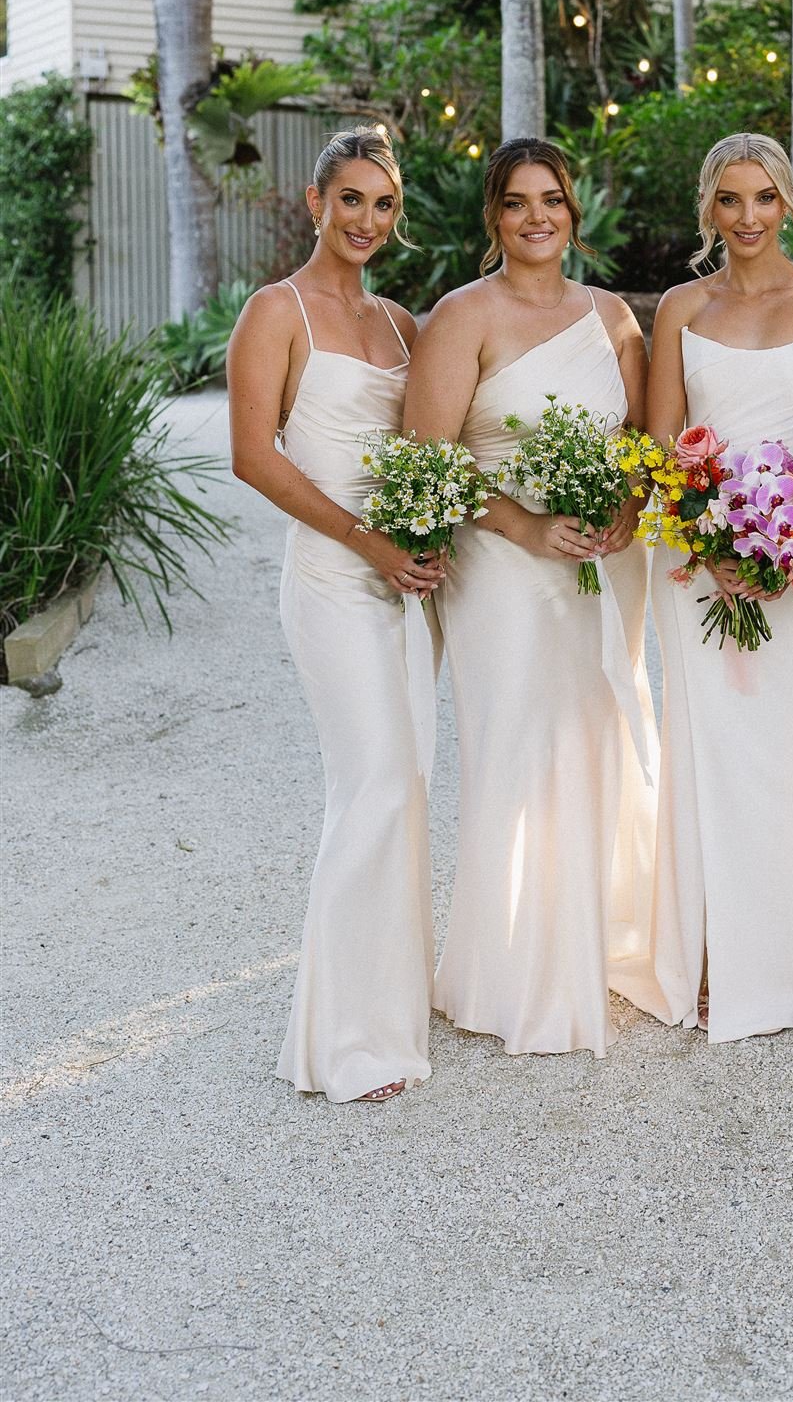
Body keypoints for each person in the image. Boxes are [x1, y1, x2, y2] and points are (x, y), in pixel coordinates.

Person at [403, 138, 657, 1058]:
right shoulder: (460, 316)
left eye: (551, 199)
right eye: (517, 203)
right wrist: (526, 525)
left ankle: (591, 943)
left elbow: (641, 443)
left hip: (598, 564)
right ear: (493, 218)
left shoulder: (614, 317)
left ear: (573, 212)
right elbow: (429, 457)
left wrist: (624, 512)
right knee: (513, 745)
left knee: (596, 736)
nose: (537, 216)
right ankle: (508, 971)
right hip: (501, 560)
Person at [637, 131, 793, 1042]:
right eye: (728, 200)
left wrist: (785, 541)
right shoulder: (679, 309)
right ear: (708, 209)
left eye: (762, 199)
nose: (746, 218)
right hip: (696, 563)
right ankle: (709, 953)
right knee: (708, 749)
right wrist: (710, 539)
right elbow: (662, 444)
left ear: (787, 204)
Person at [227, 127, 441, 1104]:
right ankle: (341, 1042)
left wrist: (428, 531)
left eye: (383, 203)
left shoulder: (401, 322)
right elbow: (256, 456)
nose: (366, 219)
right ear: (316, 203)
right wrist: (369, 540)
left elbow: (435, 444)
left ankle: (386, 1004)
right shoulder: (276, 311)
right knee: (377, 783)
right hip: (332, 573)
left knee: (409, 780)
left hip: (402, 576)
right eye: (350, 199)